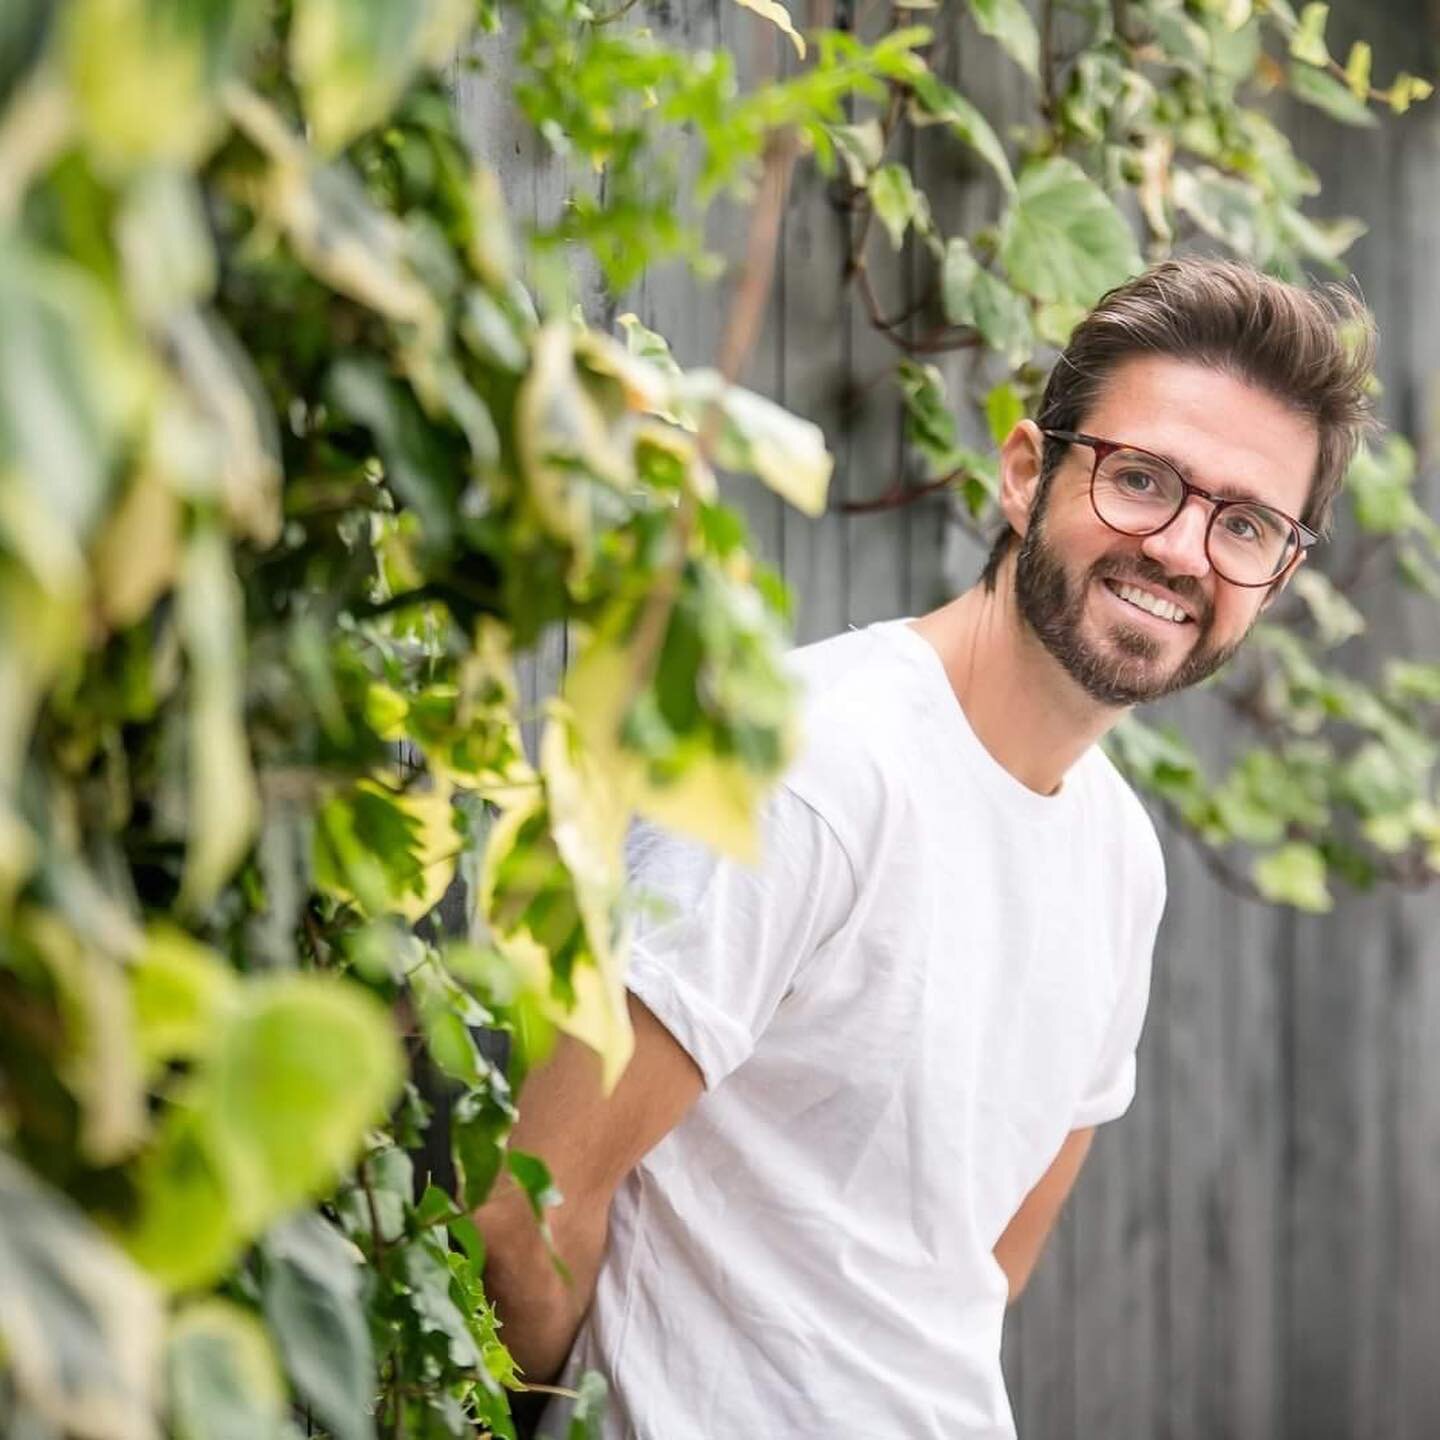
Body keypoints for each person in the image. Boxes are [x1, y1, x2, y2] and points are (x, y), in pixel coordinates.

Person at [476, 257, 1376, 1438]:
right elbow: (526, 1221)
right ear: (1025, 473)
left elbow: (977, 1274)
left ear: (1280, 572)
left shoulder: (1120, 862)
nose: (1181, 549)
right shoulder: (813, 767)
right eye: (1144, 478)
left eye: (1245, 522)